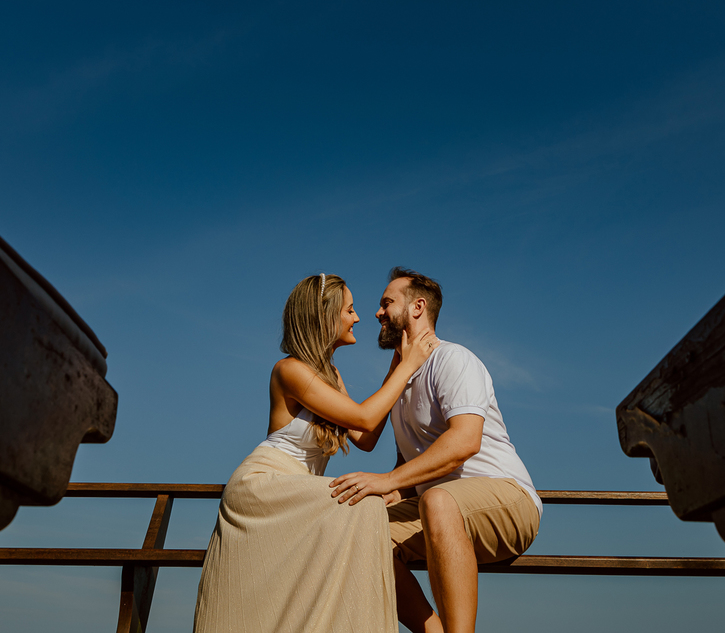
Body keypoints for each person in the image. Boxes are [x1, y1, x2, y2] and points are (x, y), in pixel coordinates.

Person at [193, 272, 436, 633]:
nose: (357, 318)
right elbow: (365, 417)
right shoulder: (289, 370)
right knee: (365, 505)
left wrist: (394, 371)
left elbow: (365, 437)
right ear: (325, 317)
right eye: (349, 310)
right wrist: (408, 366)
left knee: (362, 506)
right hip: (266, 484)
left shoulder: (331, 375)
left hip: (299, 491)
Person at [329, 268, 541, 633]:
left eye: (386, 303)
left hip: (509, 499)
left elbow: (464, 442)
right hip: (436, 508)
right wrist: (396, 490)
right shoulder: (401, 378)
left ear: (417, 307)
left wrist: (389, 480)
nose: (377, 313)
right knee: (354, 531)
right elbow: (400, 454)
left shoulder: (453, 359)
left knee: (438, 500)